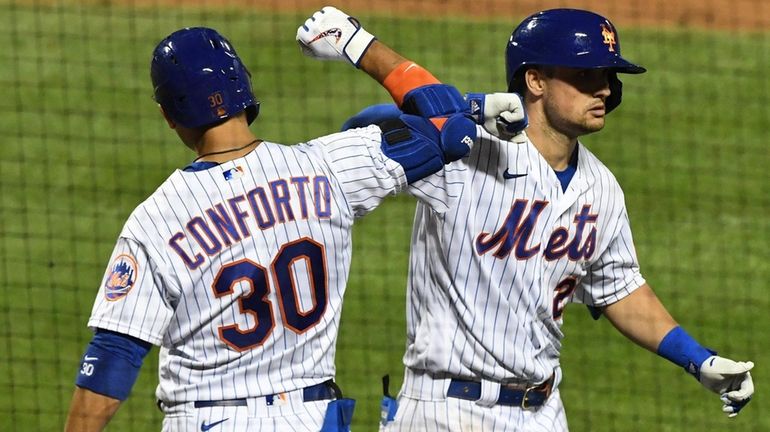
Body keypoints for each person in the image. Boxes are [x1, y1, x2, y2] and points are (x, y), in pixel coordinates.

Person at [298, 7, 756, 431]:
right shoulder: (465, 152)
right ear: (535, 81)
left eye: (608, 78)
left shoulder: (601, 187)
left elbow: (620, 288)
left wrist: (699, 360)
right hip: (446, 411)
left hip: (542, 412)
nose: (604, 89)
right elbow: (363, 126)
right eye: (585, 76)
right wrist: (458, 104)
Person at [63, 25, 523, 432]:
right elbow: (443, 127)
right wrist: (467, 102)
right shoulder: (330, 167)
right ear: (245, 88)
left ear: (169, 116)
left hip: (207, 418)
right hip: (311, 417)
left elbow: (115, 355)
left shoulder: (157, 218)